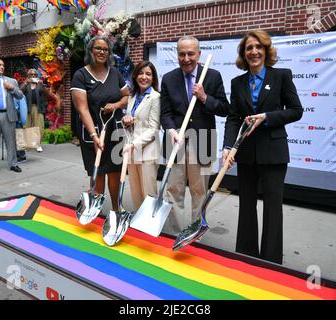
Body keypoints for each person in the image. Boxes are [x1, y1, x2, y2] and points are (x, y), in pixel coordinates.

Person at [222, 30, 303, 264]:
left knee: (272, 209)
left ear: (266, 50)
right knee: (246, 206)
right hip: (246, 153)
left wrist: (266, 117)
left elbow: (296, 110)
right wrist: (228, 146)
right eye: (249, 48)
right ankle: (246, 258)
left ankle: (270, 262)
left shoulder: (281, 76)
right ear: (243, 54)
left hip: (274, 153)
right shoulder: (237, 83)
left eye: (258, 47)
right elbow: (233, 118)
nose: (254, 51)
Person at [160, 36, 229, 234]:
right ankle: (176, 233)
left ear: (198, 54)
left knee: (200, 192)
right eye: (182, 54)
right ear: (177, 55)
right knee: (173, 190)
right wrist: (171, 130)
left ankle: (194, 233)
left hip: (203, 141)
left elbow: (225, 108)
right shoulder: (169, 78)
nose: (186, 58)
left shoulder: (213, 76)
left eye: (191, 53)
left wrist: (205, 97)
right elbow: (165, 113)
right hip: (176, 141)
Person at [71, 36, 130, 210]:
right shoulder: (81, 75)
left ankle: (116, 209)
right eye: (98, 48)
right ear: (90, 51)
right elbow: (83, 110)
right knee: (97, 173)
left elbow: (127, 97)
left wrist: (116, 105)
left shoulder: (115, 74)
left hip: (115, 131)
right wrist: (94, 136)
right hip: (92, 132)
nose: (101, 52)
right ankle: (94, 212)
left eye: (105, 49)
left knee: (115, 172)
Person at [122, 61, 161, 210]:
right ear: (135, 76)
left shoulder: (156, 97)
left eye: (148, 74)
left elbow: (154, 128)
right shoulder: (132, 97)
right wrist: (126, 121)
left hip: (147, 152)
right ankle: (138, 224)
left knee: (148, 193)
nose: (144, 77)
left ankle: (149, 226)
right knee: (136, 192)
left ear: (153, 78)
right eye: (141, 73)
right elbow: (130, 122)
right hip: (132, 152)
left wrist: (133, 145)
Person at [20, 68, 48, 152]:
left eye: (35, 75)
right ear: (28, 76)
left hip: (38, 107)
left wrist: (42, 85)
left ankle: (37, 144)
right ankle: (27, 145)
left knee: (39, 126)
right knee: (27, 126)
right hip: (27, 107)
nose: (33, 76)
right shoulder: (26, 84)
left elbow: (46, 94)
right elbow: (19, 92)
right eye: (31, 75)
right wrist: (25, 83)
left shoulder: (39, 84)